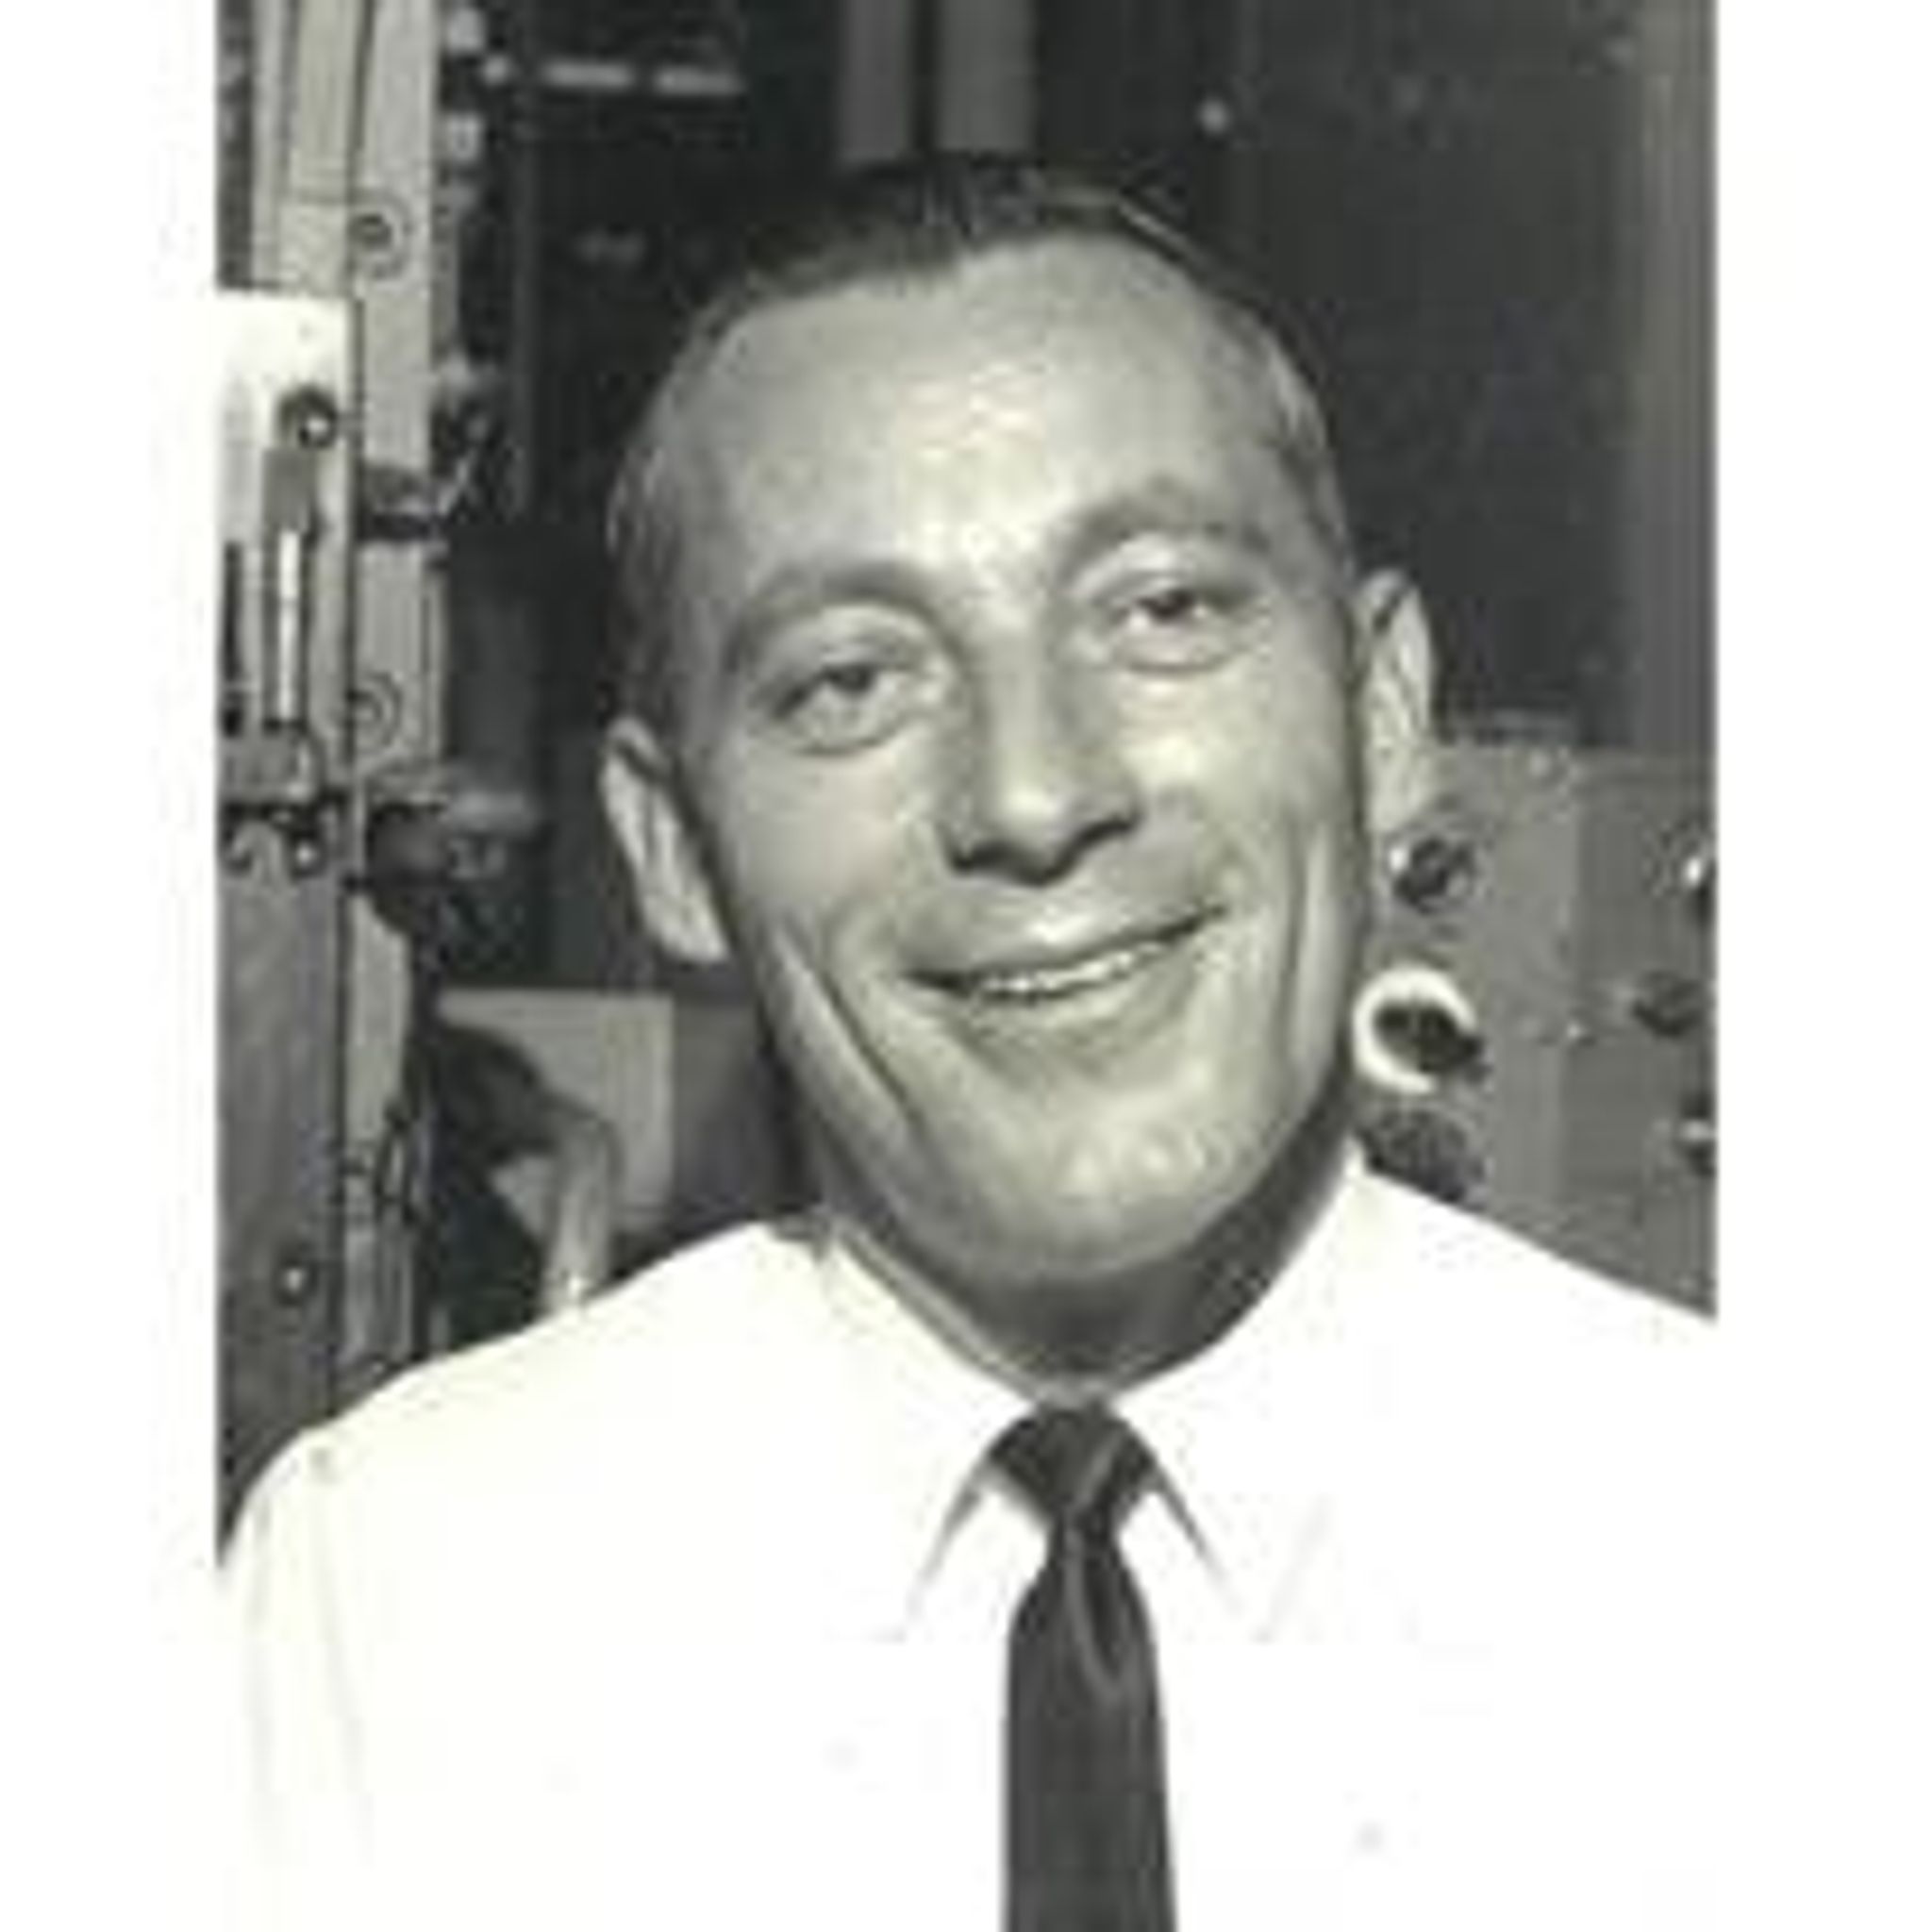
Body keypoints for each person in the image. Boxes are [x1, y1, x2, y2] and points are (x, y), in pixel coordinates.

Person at [225, 158, 1718, 1932]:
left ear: (1382, 712)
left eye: (1162, 610)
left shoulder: (1782, 1555)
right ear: (676, 851)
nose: (1032, 793)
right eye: (850, 681)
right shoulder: (386, 1603)